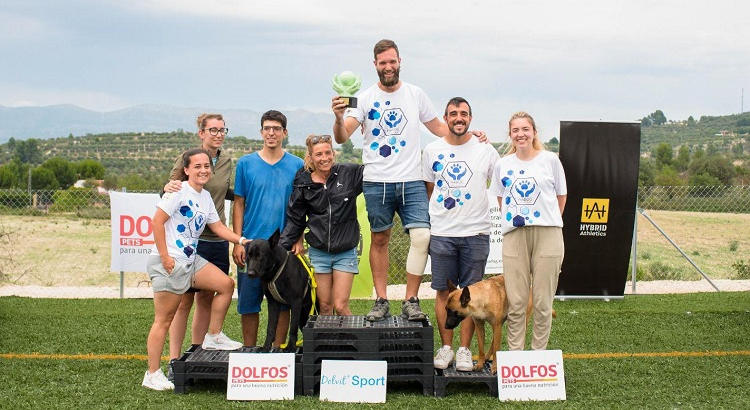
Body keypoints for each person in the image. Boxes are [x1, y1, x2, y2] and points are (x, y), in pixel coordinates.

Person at [332, 39, 485, 321]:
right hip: (377, 179)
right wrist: (339, 117)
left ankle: (411, 299)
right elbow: (342, 137)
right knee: (380, 239)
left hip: (412, 178)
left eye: (392, 61)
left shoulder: (416, 94)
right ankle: (381, 299)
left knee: (422, 236)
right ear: (375, 65)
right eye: (382, 63)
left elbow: (440, 127)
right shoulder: (363, 98)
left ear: (400, 61)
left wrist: (468, 136)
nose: (388, 67)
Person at [143, 148, 246, 391]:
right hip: (169, 262)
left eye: (206, 166)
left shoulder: (205, 196)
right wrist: (166, 257)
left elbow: (218, 227)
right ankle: (152, 373)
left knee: (225, 285)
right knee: (164, 319)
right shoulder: (178, 191)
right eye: (197, 166)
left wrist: (241, 241)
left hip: (190, 260)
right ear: (187, 170)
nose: (203, 170)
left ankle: (213, 335)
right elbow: (156, 222)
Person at [423, 97, 500, 370]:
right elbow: (429, 188)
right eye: (453, 113)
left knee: (470, 295)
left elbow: (501, 183)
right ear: (445, 118)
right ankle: (446, 348)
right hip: (443, 232)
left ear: (471, 118)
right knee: (444, 292)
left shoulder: (486, 149)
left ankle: (465, 350)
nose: (459, 118)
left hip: (476, 233)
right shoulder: (432, 150)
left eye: (464, 114)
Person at [161, 113, 233, 380]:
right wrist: (166, 185)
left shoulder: (226, 161)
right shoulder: (188, 158)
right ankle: (174, 359)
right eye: (212, 130)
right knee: (183, 302)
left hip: (217, 239)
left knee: (207, 298)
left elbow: (227, 192)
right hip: (192, 241)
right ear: (201, 133)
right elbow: (170, 189)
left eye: (221, 130)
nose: (217, 134)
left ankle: (198, 350)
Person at [490, 111, 567, 351]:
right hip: (515, 234)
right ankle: (516, 357)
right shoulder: (503, 165)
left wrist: (547, 219)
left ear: (534, 132)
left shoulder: (550, 159)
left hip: (548, 234)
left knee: (543, 301)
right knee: (517, 301)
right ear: (510, 134)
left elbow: (561, 196)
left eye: (525, 129)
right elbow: (501, 199)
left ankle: (538, 355)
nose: (521, 134)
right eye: (516, 130)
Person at [232, 110, 304, 348]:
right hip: (250, 246)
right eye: (267, 128)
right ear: (261, 132)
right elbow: (239, 204)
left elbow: (300, 206)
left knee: (282, 302)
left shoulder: (297, 165)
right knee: (249, 304)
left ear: (284, 133)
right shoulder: (245, 164)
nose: (271, 133)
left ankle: (278, 351)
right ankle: (251, 351)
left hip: (281, 248)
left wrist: (299, 238)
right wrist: (238, 241)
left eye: (276, 128)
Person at [279, 134, 364, 316]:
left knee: (340, 305)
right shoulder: (303, 182)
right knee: (325, 306)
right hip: (319, 252)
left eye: (328, 153)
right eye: (318, 154)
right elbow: (296, 217)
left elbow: (377, 174)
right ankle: (330, 344)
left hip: (345, 251)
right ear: (310, 157)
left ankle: (355, 343)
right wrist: (283, 246)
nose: (324, 158)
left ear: (334, 153)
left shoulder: (349, 173)